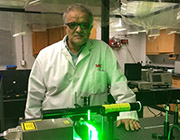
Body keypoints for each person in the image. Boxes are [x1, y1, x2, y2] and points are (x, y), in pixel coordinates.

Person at [25, 3, 141, 131]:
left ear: (90, 28)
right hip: (56, 126)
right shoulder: (46, 55)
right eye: (73, 25)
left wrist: (127, 113)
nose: (79, 30)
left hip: (95, 126)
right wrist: (33, 128)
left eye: (84, 25)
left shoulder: (102, 50)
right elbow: (34, 99)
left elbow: (119, 85)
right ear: (66, 28)